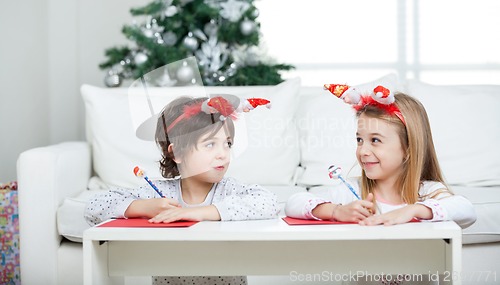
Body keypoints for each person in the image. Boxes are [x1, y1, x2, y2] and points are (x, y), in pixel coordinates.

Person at [85, 95, 279, 285]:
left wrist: (194, 213)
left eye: (227, 144)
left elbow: (269, 203)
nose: (223, 154)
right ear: (176, 151)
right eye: (210, 144)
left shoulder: (229, 190)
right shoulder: (158, 194)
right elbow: (93, 208)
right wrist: (143, 207)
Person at [286, 84, 476, 228]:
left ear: (409, 147)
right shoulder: (353, 191)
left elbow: (467, 210)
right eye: (360, 140)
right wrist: (336, 211)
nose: (363, 151)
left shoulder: (427, 192)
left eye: (375, 140)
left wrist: (414, 210)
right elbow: (294, 203)